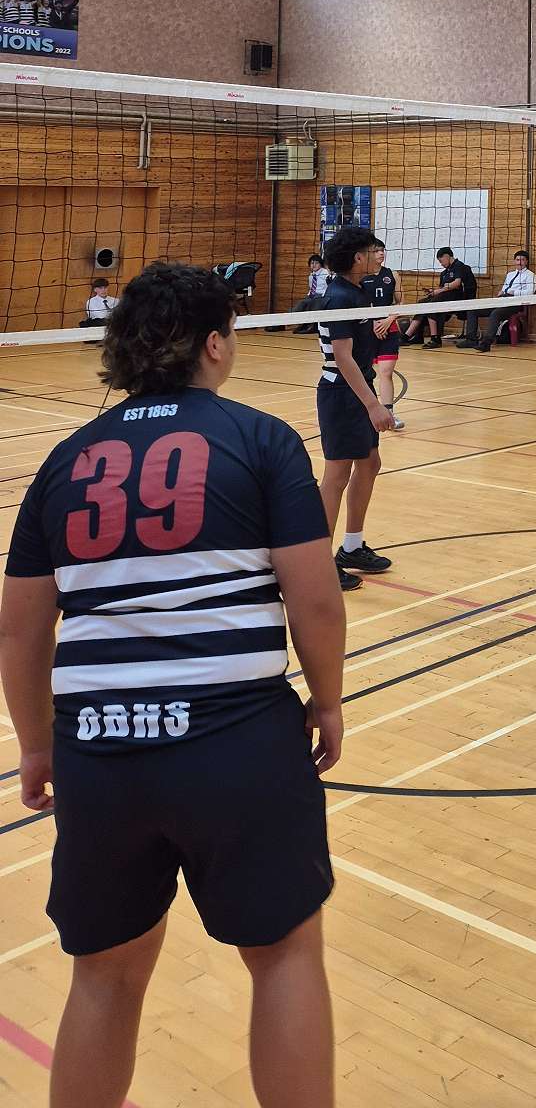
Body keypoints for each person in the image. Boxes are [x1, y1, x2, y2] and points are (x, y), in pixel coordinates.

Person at [0, 261, 344, 1108]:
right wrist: (329, 700)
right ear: (215, 345)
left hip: (100, 751)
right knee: (285, 956)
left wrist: (37, 745)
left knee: (104, 977)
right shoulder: (262, 441)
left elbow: (20, 628)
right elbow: (314, 597)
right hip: (236, 741)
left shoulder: (65, 461)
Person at [316, 225, 395, 592]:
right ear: (356, 257)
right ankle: (317, 562)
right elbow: (343, 358)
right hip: (342, 393)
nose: (376, 255)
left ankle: (351, 547)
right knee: (336, 476)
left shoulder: (357, 291)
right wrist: (374, 405)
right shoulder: (339, 298)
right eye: (370, 250)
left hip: (357, 386)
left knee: (370, 463)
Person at [361, 238, 404, 431]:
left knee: (386, 372)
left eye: (382, 250)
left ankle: (389, 415)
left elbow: (401, 302)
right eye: (377, 250)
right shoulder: (361, 276)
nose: (381, 253)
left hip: (389, 328)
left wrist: (389, 320)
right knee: (365, 373)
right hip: (367, 330)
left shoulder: (392, 275)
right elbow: (358, 305)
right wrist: (372, 323)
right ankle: (366, 412)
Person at [408, 247, 476, 348]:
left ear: (447, 256)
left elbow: (457, 283)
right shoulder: (444, 273)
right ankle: (414, 335)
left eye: (441, 261)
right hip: (445, 297)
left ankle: (435, 338)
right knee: (422, 302)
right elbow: (442, 289)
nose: (441, 264)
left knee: (433, 304)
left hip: (458, 298)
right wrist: (433, 291)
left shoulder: (459, 266)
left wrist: (439, 291)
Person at [474, 249, 536, 350]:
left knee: (495, 314)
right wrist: (502, 292)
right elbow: (504, 288)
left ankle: (486, 343)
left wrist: (513, 292)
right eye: (517, 260)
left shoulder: (531, 276)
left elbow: (530, 292)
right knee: (473, 311)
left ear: (526, 262)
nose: (519, 262)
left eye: (522, 260)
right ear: (514, 261)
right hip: (503, 300)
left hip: (516, 303)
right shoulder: (510, 274)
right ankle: (471, 339)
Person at [293, 253, 329, 335]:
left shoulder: (325, 273)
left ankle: (313, 326)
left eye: (316, 263)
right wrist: (309, 295)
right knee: (302, 303)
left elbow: (328, 286)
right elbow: (311, 287)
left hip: (321, 296)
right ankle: (303, 323)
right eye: (312, 263)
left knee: (312, 303)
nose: (314, 265)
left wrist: (323, 295)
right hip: (312, 295)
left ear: (320, 264)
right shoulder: (311, 275)